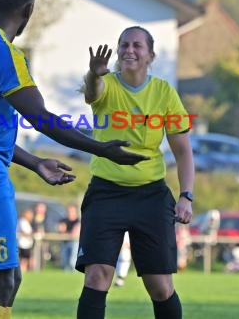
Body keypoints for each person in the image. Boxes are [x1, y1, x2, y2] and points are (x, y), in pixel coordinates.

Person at [0, 0, 147, 319]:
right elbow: (40, 118)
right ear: (28, 10)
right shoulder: (2, 52)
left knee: (10, 279)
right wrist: (101, 148)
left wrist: (35, 163)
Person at [76, 26, 195, 319]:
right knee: (97, 276)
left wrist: (186, 196)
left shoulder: (164, 92)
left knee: (160, 287)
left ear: (151, 55)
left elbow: (183, 151)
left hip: (151, 196)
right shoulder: (106, 84)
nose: (130, 50)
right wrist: (94, 73)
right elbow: (93, 95)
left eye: (137, 46)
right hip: (106, 193)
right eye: (124, 45)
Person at [58, 203, 80, 272]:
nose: (70, 212)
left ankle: (74, 272)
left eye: (72, 211)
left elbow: (75, 233)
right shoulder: (63, 220)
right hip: (65, 242)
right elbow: (61, 231)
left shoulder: (78, 221)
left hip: (74, 243)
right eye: (69, 211)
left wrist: (67, 232)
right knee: (65, 260)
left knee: (72, 260)